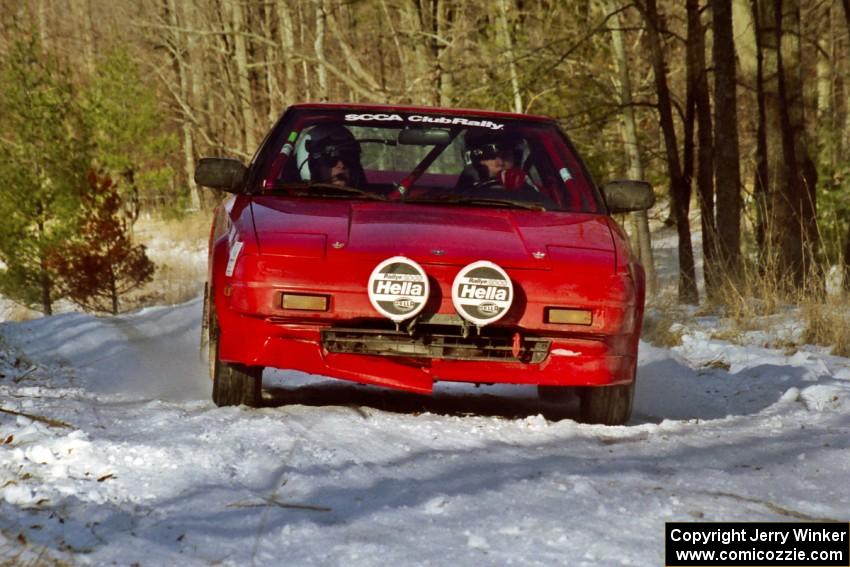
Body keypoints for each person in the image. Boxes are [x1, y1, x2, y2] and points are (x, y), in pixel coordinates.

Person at [461, 130, 535, 191]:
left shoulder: (532, 197)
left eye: (506, 156)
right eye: (491, 157)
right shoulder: (460, 195)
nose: (500, 163)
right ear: (476, 162)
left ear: (516, 160)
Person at [300, 123, 365, 188]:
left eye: (347, 157)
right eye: (330, 158)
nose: (341, 165)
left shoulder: (368, 197)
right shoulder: (292, 196)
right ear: (313, 165)